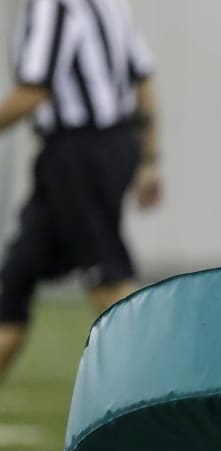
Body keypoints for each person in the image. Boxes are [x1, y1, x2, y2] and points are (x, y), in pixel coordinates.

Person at [0, 0, 162, 386]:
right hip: (102, 147)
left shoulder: (53, 5)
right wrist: (150, 156)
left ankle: (165, 394)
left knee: (107, 273)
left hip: (79, 151)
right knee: (16, 278)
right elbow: (143, 78)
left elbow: (34, 88)